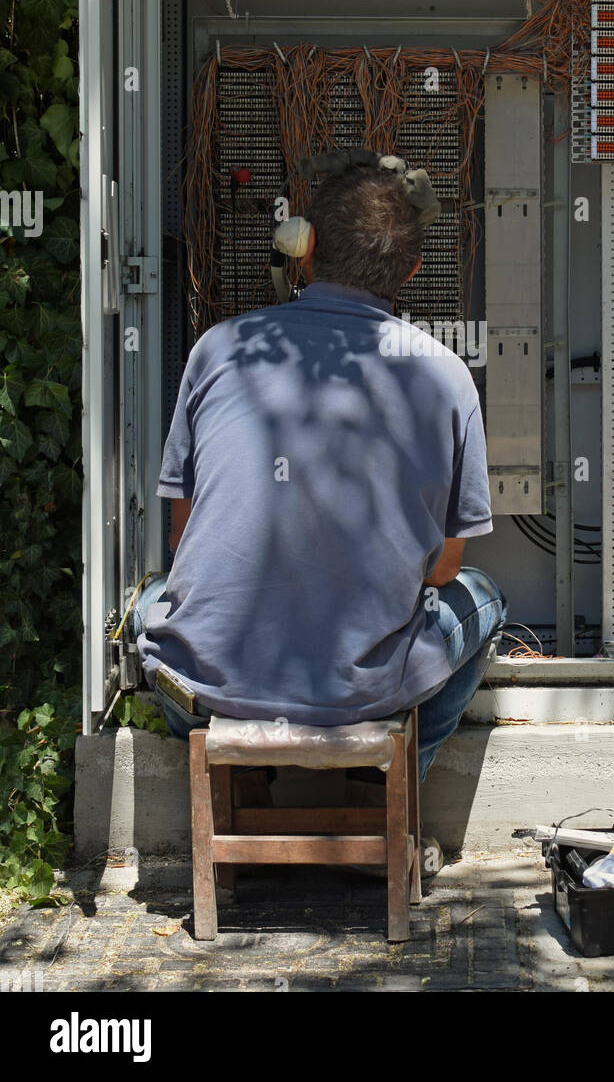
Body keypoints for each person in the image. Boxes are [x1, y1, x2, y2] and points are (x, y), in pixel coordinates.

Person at [134, 153, 507, 836]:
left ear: (304, 253)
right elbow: (444, 571)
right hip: (360, 693)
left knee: (146, 607)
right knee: (482, 598)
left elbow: (183, 541)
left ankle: (241, 782)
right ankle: (379, 792)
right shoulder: (447, 375)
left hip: (207, 685)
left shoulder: (217, 351)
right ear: (414, 270)